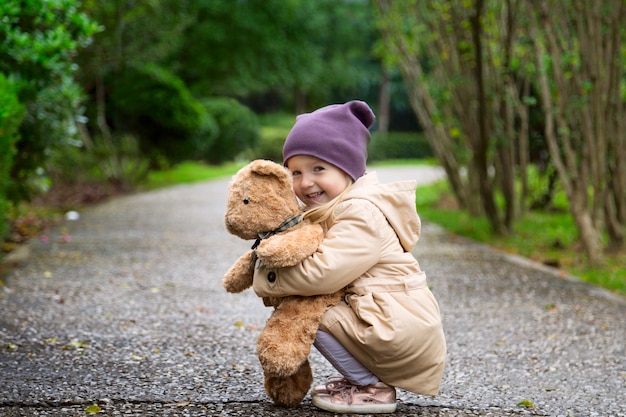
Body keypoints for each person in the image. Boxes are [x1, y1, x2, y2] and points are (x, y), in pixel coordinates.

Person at [252, 100, 446, 414]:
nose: (306, 182)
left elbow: (323, 274)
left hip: (398, 329)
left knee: (303, 311)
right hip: (387, 320)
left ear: (348, 167)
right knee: (309, 306)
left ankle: (372, 387)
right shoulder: (336, 209)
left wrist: (266, 275)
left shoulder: (360, 213)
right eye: (296, 172)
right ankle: (362, 379)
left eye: (319, 169)